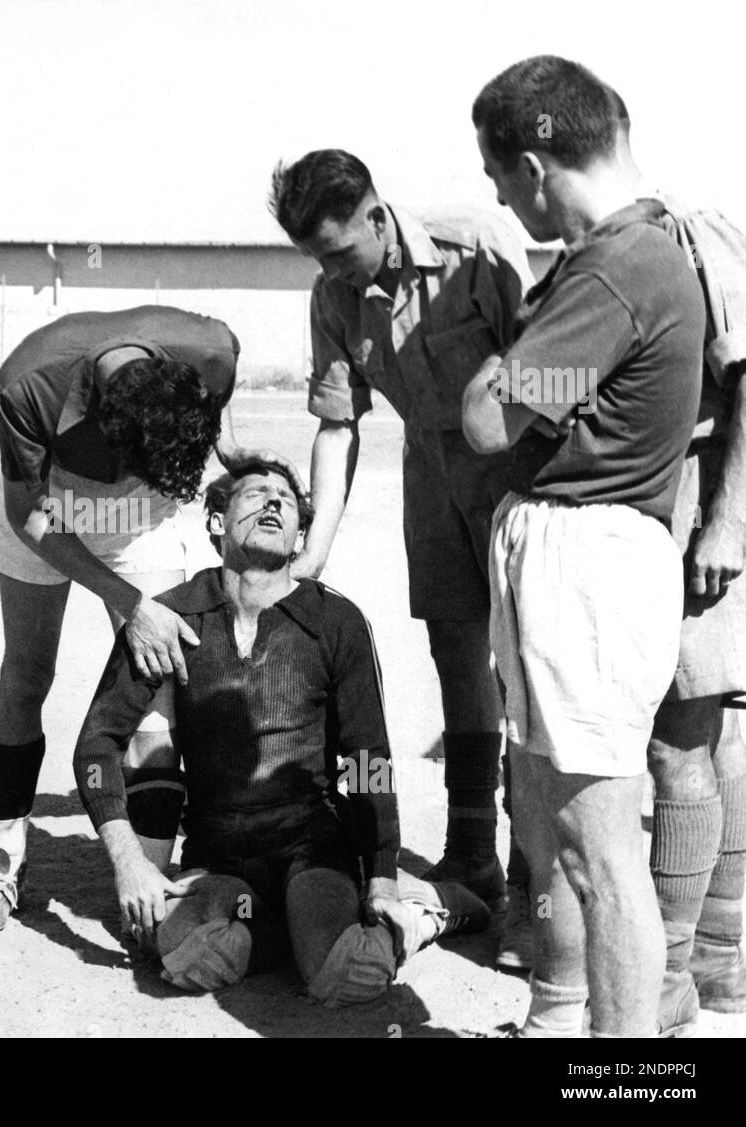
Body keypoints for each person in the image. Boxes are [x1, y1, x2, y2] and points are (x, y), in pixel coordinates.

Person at [463, 55, 706, 1037]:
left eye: (495, 179)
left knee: (604, 853)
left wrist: (497, 374)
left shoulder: (616, 267)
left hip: (589, 558)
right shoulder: (621, 256)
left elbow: (491, 421)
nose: (497, 200)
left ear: (531, 162)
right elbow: (526, 408)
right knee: (554, 824)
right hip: (570, 550)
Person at [73, 462, 488, 999]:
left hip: (310, 847)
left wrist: (382, 873)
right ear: (217, 522)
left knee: (348, 974)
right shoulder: (170, 618)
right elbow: (96, 746)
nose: (273, 504)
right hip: (217, 858)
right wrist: (130, 864)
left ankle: (426, 910)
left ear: (298, 536)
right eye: (255, 495)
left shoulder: (335, 621)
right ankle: (284, 932)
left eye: (286, 501)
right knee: (191, 957)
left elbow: (368, 759)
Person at [0, 306, 303, 937]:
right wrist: (132, 604)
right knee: (27, 673)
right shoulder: (28, 383)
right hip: (49, 507)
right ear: (106, 429)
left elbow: (213, 401)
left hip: (140, 513)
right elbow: (28, 515)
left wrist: (225, 448)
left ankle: (151, 882)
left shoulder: (210, 347)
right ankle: (2, 865)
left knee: (160, 685)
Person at [269, 150, 536, 964]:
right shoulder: (333, 295)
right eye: (317, 258)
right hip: (431, 473)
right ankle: (472, 853)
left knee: (524, 671)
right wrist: (311, 553)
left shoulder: (479, 246)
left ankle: (534, 880)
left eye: (341, 251)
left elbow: (548, 372)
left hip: (519, 470)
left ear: (378, 217)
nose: (333, 270)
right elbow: (340, 422)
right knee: (457, 659)